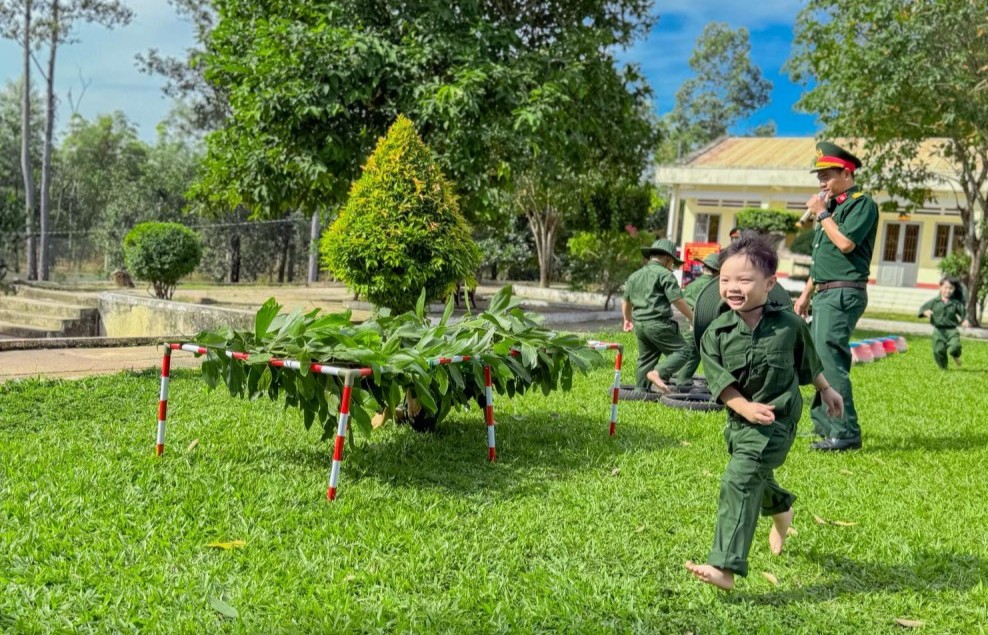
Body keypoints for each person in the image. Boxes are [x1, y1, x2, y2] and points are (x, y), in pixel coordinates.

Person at [685, 232, 843, 590]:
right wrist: (744, 408)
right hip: (740, 422)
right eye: (725, 280)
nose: (732, 287)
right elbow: (720, 383)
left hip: (778, 421)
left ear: (769, 283)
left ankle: (724, 568)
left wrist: (827, 390)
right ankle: (781, 507)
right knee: (754, 474)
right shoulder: (716, 333)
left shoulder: (790, 326)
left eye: (744, 280)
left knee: (739, 479)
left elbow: (809, 364)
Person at [794, 141, 878, 452]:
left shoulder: (860, 204)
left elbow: (845, 245)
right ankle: (825, 426)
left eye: (827, 175)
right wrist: (804, 296)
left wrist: (822, 213)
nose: (821, 182)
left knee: (831, 361)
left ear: (846, 172)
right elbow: (821, 260)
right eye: (819, 177)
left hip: (845, 291)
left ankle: (845, 432)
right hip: (825, 291)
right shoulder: (834, 208)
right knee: (818, 360)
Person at [622, 238, 694, 394]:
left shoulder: (635, 275)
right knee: (683, 351)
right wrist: (692, 317)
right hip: (659, 324)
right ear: (668, 258)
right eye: (673, 263)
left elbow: (626, 302)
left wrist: (627, 320)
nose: (672, 266)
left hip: (640, 324)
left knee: (646, 358)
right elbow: (678, 300)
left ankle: (640, 391)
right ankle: (658, 373)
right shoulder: (666, 275)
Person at [669, 252, 721, 387]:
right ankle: (683, 381)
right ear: (717, 271)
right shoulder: (717, 288)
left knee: (692, 354)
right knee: (713, 357)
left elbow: (684, 304)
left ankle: (683, 378)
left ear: (704, 268)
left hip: (691, 326)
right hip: (710, 328)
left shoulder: (692, 285)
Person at [919, 277, 970, 369]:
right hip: (938, 331)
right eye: (945, 287)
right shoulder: (934, 302)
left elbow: (964, 313)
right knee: (938, 350)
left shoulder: (956, 303)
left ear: (954, 290)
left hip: (952, 331)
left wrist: (965, 320)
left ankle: (956, 355)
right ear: (940, 288)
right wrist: (925, 312)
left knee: (955, 346)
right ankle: (943, 368)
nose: (948, 290)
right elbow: (922, 309)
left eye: (950, 288)